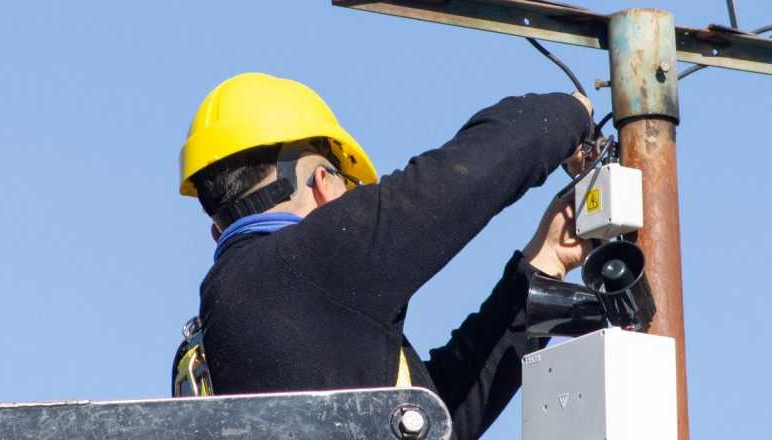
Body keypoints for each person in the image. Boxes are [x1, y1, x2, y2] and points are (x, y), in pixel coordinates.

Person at [175, 72, 593, 439]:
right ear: (323, 183)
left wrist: (544, 265)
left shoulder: (228, 313)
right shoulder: (310, 258)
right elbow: (465, 175)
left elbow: (436, 419)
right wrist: (568, 114)